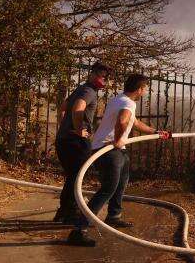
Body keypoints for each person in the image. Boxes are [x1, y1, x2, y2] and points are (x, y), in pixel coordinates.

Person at [68, 73, 170, 246]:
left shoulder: (120, 99)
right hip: (108, 149)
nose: (145, 91)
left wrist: (156, 132)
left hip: (114, 149)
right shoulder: (127, 103)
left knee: (122, 181)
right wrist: (117, 139)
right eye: (145, 88)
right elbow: (122, 122)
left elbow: (134, 123)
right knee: (108, 188)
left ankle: (114, 215)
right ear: (139, 89)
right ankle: (79, 230)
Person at [54, 63, 110, 226]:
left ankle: (63, 213)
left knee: (72, 177)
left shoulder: (81, 88)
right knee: (77, 177)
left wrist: (64, 127)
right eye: (100, 74)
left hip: (64, 139)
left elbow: (63, 108)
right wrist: (78, 129)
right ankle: (70, 213)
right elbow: (78, 108)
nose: (103, 79)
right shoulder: (89, 91)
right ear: (92, 74)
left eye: (106, 77)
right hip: (76, 142)